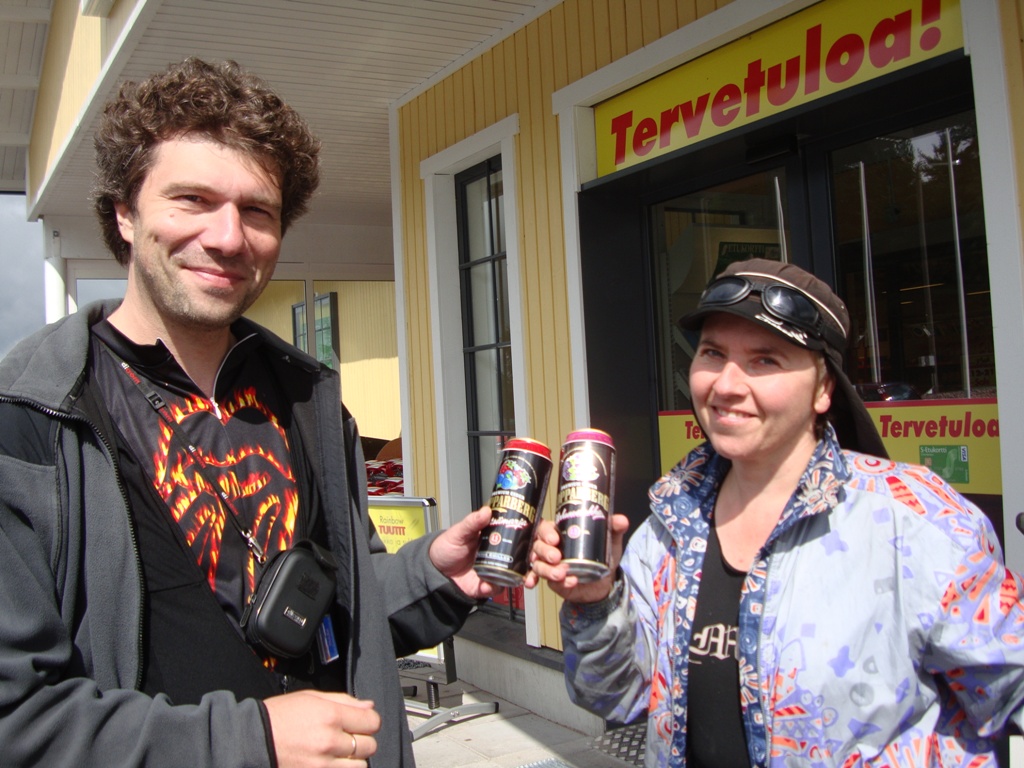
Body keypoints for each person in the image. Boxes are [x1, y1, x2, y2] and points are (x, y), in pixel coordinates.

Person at [0, 57, 495, 768]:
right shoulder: (29, 421)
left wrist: (440, 576)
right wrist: (251, 740)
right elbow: (18, 718)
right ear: (124, 214)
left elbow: (340, 618)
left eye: (257, 210)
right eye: (192, 200)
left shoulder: (309, 400)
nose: (229, 237)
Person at [529, 258, 1024, 767]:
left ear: (824, 389)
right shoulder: (668, 524)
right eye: (712, 353)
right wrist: (594, 600)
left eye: (765, 360)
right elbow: (619, 698)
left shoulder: (915, 522)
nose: (726, 384)